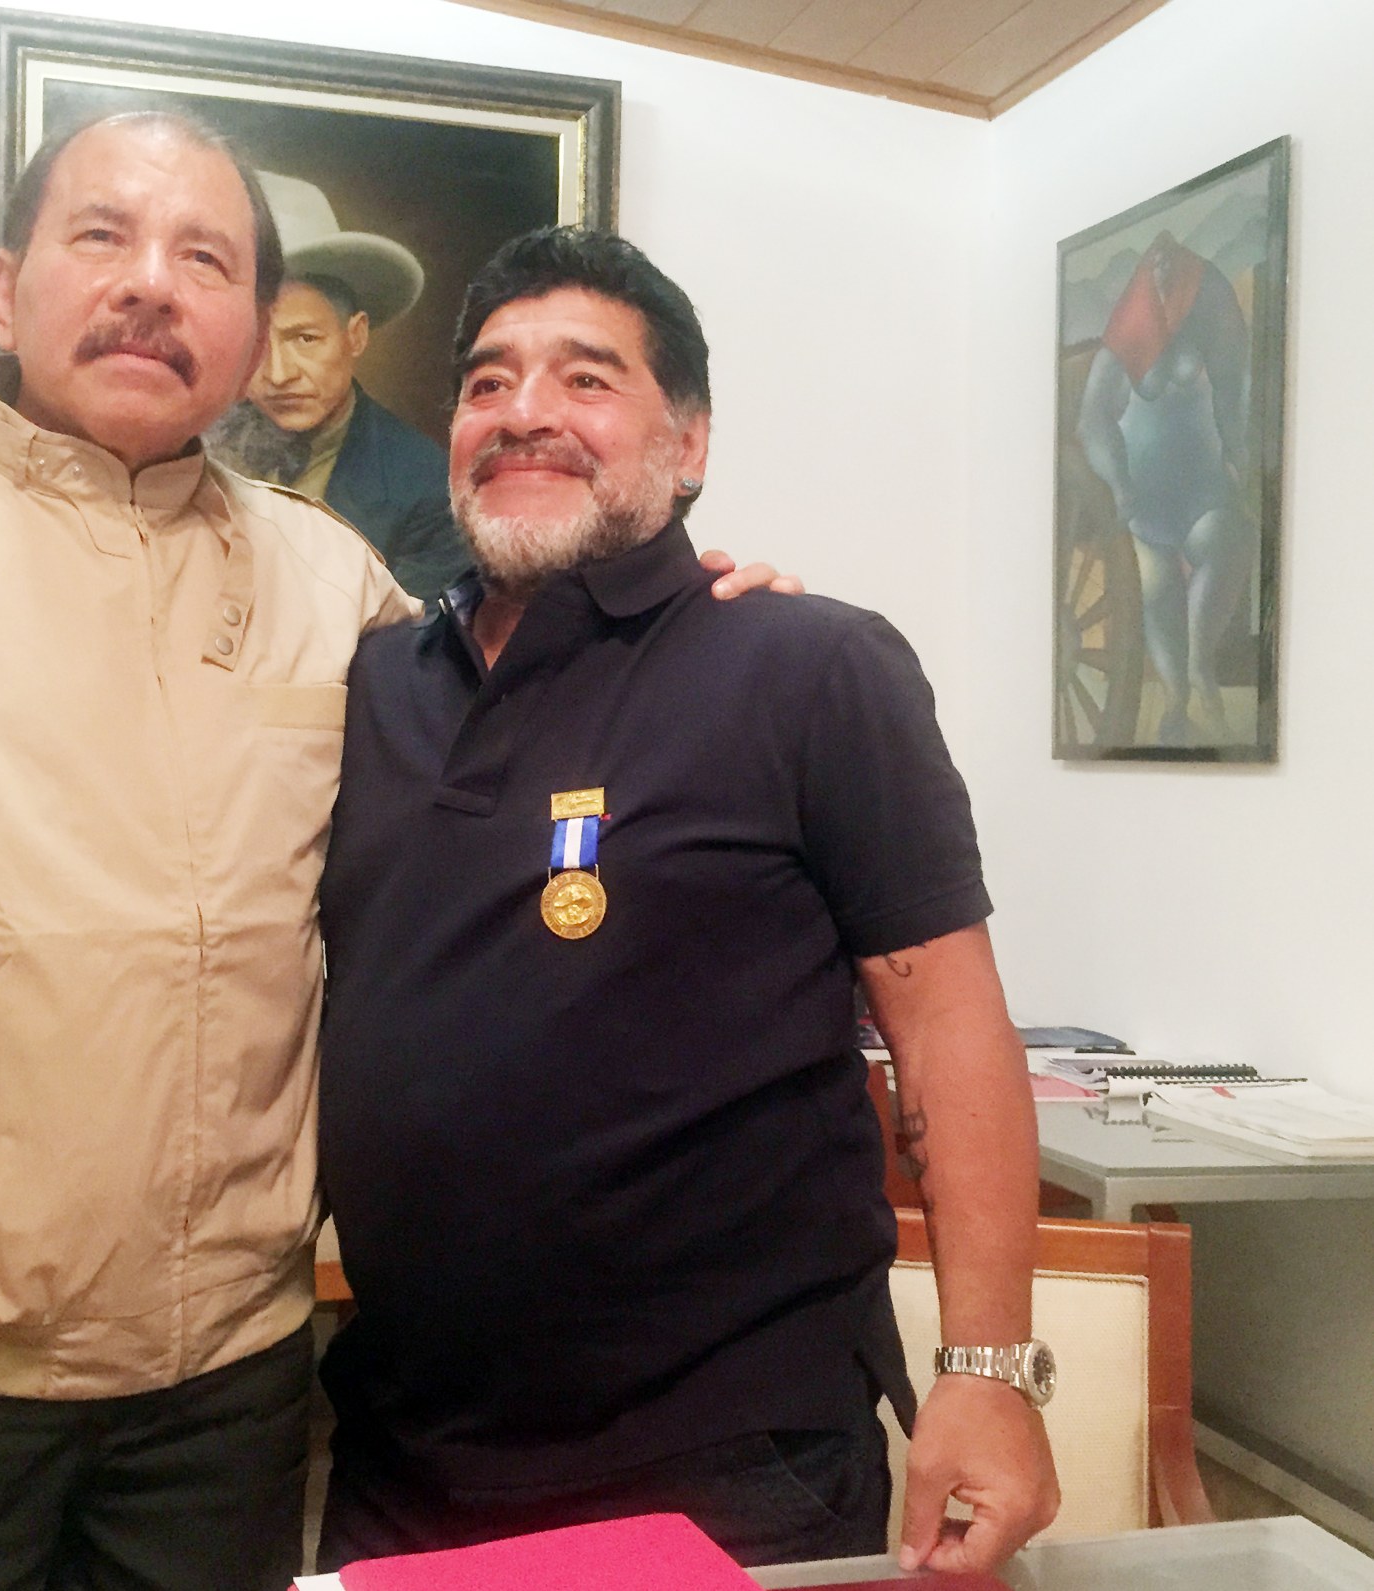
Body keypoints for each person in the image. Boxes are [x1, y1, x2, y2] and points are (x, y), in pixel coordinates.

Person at [0, 119, 785, 1589]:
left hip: (224, 1398)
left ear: (254, 333)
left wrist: (689, 626)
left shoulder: (327, 580)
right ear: (2, 288)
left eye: (204, 258)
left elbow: (521, 723)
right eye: (102, 236)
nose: (150, 283)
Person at [314, 228, 1062, 1576]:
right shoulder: (371, 687)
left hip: (722, 1460)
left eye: (585, 378)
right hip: (397, 1451)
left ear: (689, 443)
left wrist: (987, 1368)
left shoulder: (807, 666)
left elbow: (947, 1021)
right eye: (486, 382)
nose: (523, 411)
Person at [207, 173, 471, 599]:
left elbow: (409, 635)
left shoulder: (426, 488)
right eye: (255, 342)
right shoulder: (191, 446)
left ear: (356, 336)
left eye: (305, 339)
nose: (278, 374)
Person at [1075, 229, 1256, 746]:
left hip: (1203, 495)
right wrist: (1118, 484)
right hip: (1144, 508)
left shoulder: (1210, 327)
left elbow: (1232, 399)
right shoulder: (1126, 339)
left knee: (1228, 543)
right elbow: (1092, 420)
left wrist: (1241, 456)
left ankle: (1201, 667)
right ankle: (1177, 703)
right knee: (1156, 590)